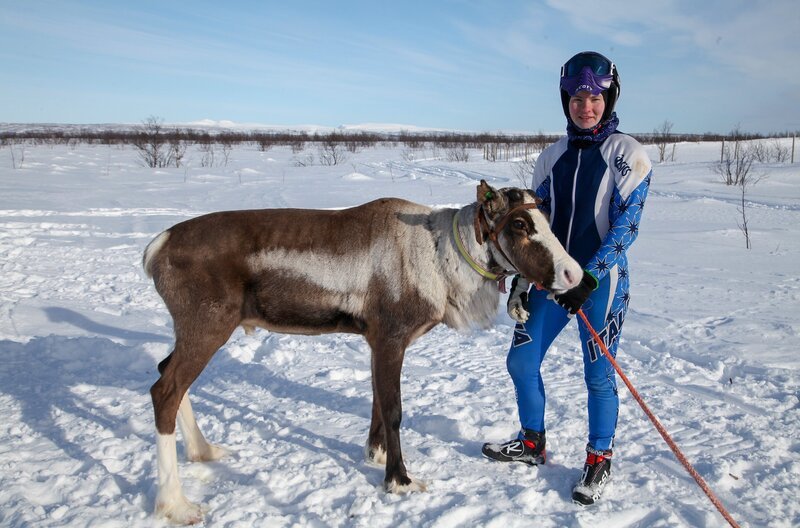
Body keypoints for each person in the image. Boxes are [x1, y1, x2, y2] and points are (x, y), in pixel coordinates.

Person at [481, 51, 652, 505]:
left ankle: (599, 459)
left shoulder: (628, 155)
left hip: (601, 284)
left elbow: (626, 227)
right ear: (566, 101)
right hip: (554, 280)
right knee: (520, 361)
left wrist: (588, 279)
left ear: (610, 97)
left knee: (597, 375)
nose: (586, 106)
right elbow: (539, 225)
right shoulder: (551, 156)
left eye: (595, 96)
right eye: (577, 97)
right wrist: (522, 274)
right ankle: (532, 442)